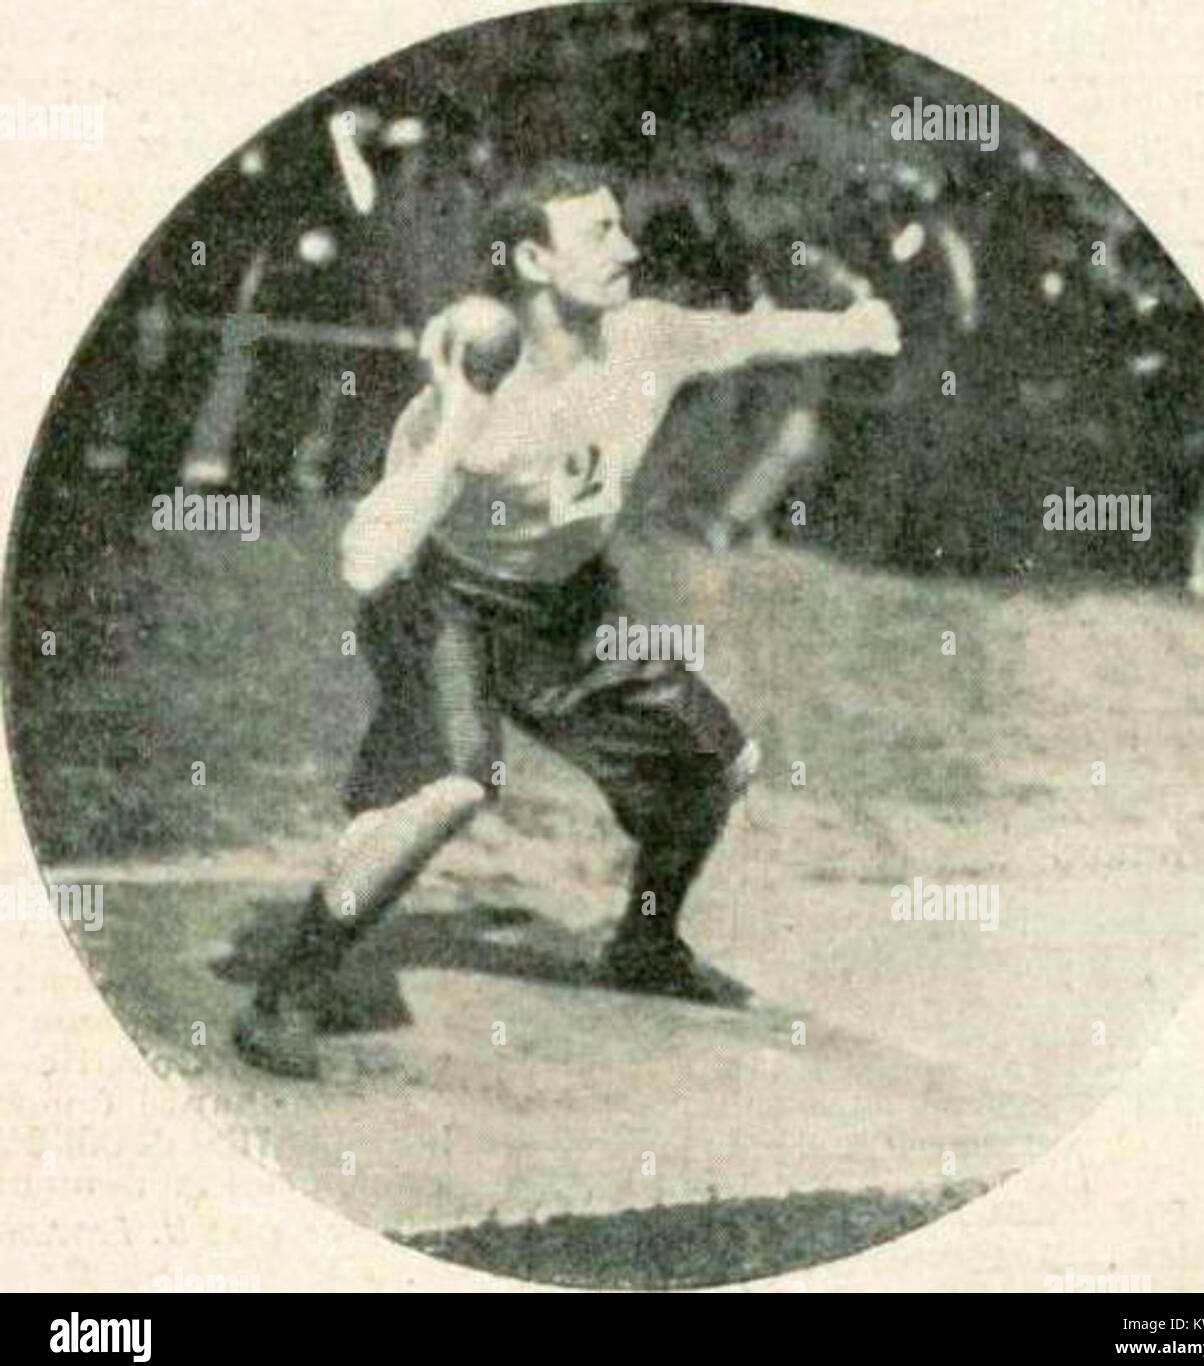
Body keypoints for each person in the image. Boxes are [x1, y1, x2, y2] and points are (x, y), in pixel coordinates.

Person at [233, 159, 901, 1078]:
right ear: (533, 262)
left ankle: (645, 946)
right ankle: (287, 993)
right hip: (443, 599)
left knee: (716, 767)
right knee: (449, 787)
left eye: (621, 228)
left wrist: (854, 328)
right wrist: (459, 422)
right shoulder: (468, 396)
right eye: (599, 234)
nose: (628, 248)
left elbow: (750, 334)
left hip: (567, 606)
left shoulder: (648, 339)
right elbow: (367, 557)